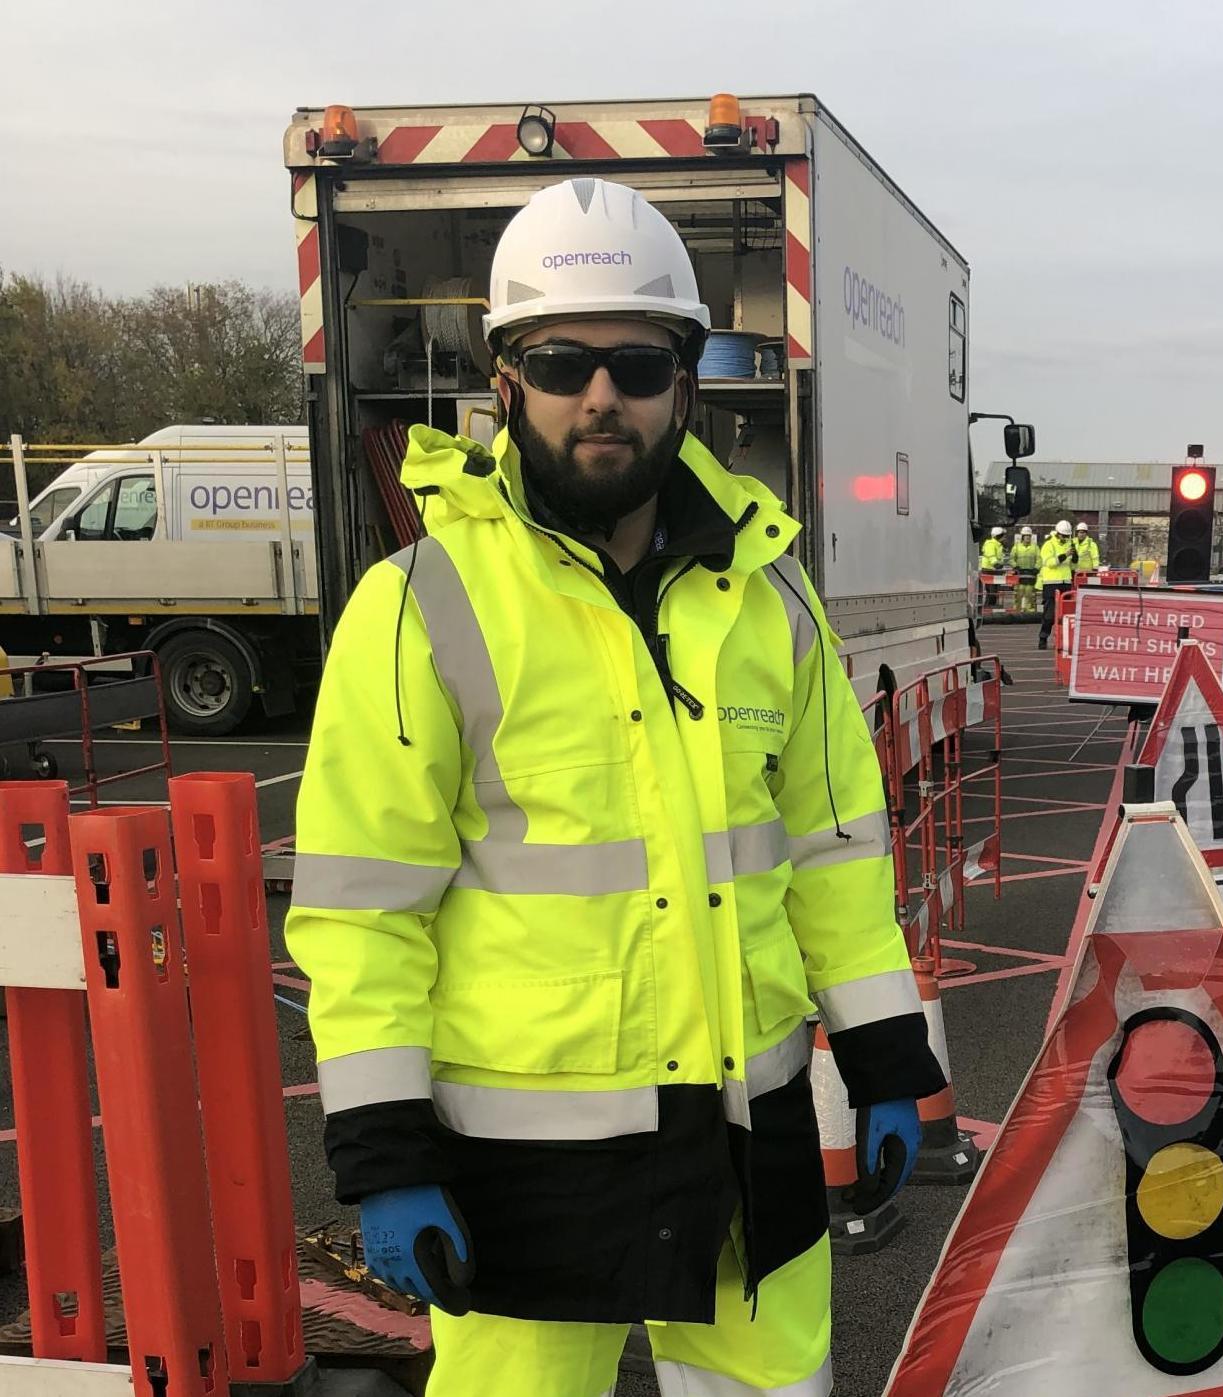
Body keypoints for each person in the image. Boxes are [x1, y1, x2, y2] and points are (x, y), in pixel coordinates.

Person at [286, 178, 944, 1397]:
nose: (601, 395)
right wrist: (382, 1151)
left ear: (682, 383)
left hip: (749, 1139)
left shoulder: (773, 596)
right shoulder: (416, 606)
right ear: (504, 382)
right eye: (559, 360)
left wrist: (889, 1057)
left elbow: (835, 852)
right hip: (529, 1176)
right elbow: (364, 906)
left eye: (637, 363)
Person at [1036, 519, 1077, 648]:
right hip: (1051, 583)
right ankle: (1043, 638)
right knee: (1049, 615)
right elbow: (1050, 563)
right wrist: (1065, 555)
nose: (1066, 538)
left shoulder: (1069, 544)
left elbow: (1073, 563)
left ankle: (1062, 641)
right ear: (1058, 533)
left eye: (1068, 536)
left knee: (1066, 615)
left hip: (1065, 582)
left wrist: (1075, 555)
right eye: (1064, 535)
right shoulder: (1049, 545)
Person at [1009, 526, 1041, 613]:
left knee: (1030, 593)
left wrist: (1036, 568)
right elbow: (1011, 559)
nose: (1028, 537)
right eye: (1026, 536)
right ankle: (1017, 610)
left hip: (1031, 574)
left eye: (1029, 536)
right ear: (1022, 537)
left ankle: (1030, 611)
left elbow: (1039, 559)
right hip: (1019, 574)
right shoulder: (1016, 547)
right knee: (1019, 592)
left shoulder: (1035, 547)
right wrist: (1016, 566)